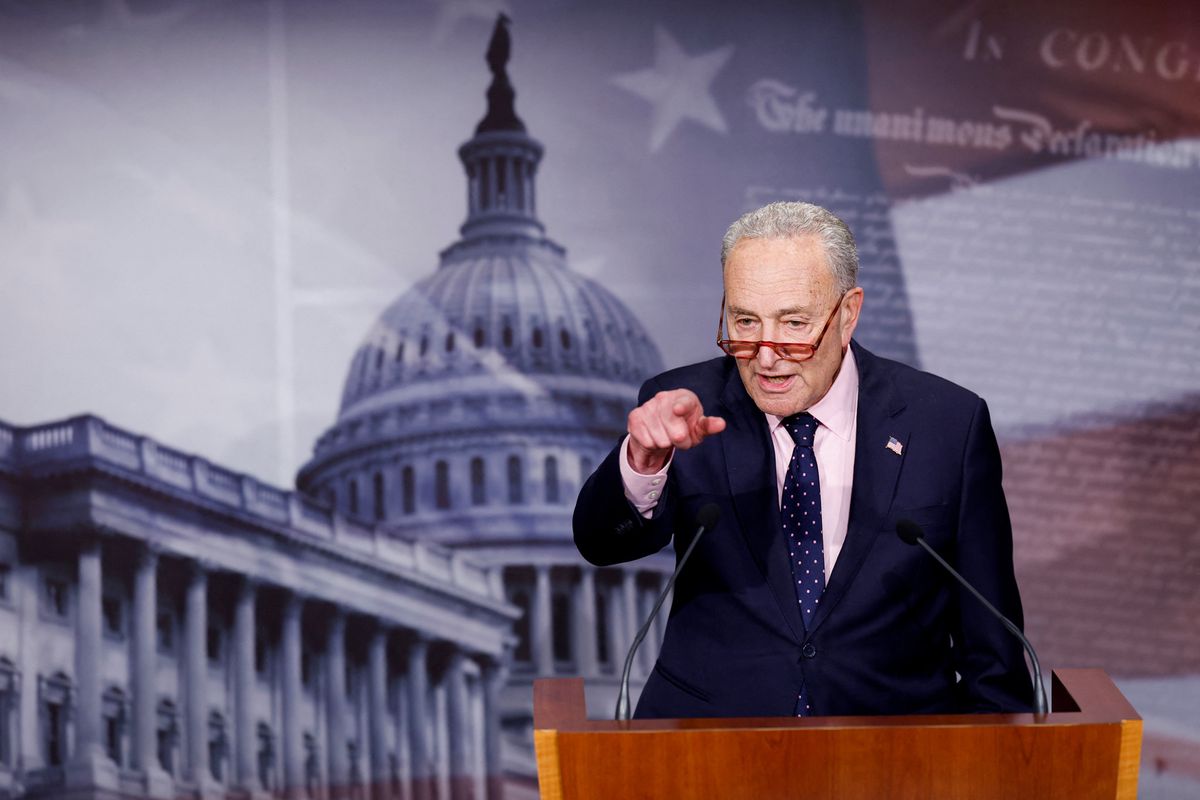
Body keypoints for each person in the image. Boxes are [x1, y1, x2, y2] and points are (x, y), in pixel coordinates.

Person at [573, 201, 1033, 718]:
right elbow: (600, 545)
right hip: (707, 749)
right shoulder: (683, 406)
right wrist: (643, 460)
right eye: (745, 321)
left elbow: (990, 644)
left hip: (894, 751)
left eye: (793, 324)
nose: (765, 357)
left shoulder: (947, 424)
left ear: (848, 314)